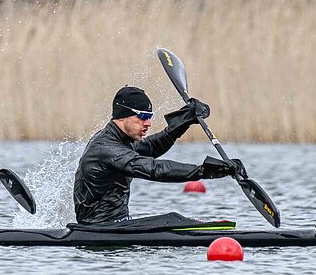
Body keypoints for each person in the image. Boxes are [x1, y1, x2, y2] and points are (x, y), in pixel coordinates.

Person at [72, 85, 240, 225]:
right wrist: (205, 171)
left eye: (150, 117)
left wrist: (185, 119)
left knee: (174, 220)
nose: (148, 123)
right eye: (143, 116)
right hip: (100, 228)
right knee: (172, 220)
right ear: (123, 116)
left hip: (117, 224)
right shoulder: (107, 148)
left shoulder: (120, 139)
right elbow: (154, 169)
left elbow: (151, 147)